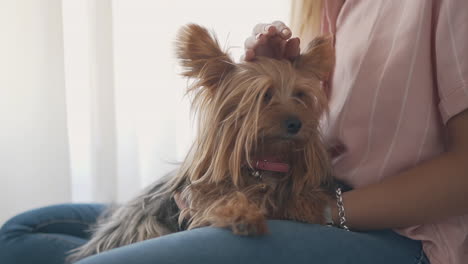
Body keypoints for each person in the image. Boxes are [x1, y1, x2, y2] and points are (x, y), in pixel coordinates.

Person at [1, 1, 467, 263]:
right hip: (281, 191)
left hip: (399, 233)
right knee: (18, 235)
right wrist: (246, 87)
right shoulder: (329, 9)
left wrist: (321, 211)